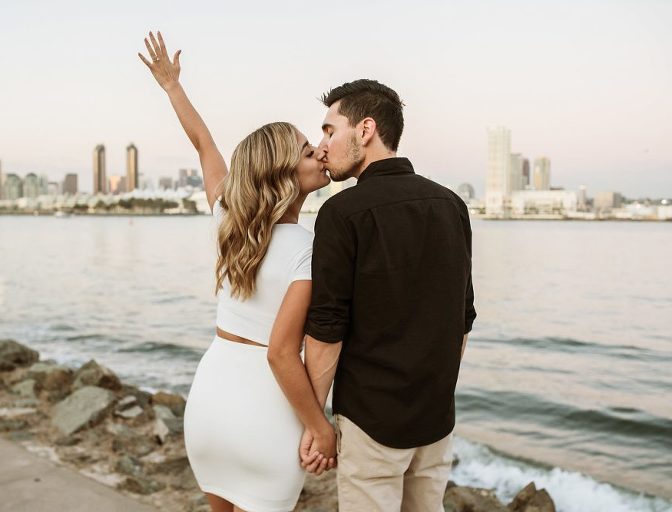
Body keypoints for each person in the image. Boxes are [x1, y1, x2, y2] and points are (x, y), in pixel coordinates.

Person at [138, 32, 337, 512]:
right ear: (284, 174)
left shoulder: (228, 217)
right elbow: (282, 355)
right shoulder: (306, 247)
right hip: (265, 417)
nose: (321, 155)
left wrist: (173, 88)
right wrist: (320, 428)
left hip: (209, 404)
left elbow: (203, 144)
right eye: (309, 152)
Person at [301, 79, 477, 511]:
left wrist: (313, 421)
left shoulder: (341, 213)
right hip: (436, 419)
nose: (323, 146)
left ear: (365, 130)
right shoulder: (451, 204)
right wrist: (438, 391)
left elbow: (326, 329)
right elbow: (463, 318)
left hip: (371, 420)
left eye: (329, 131)